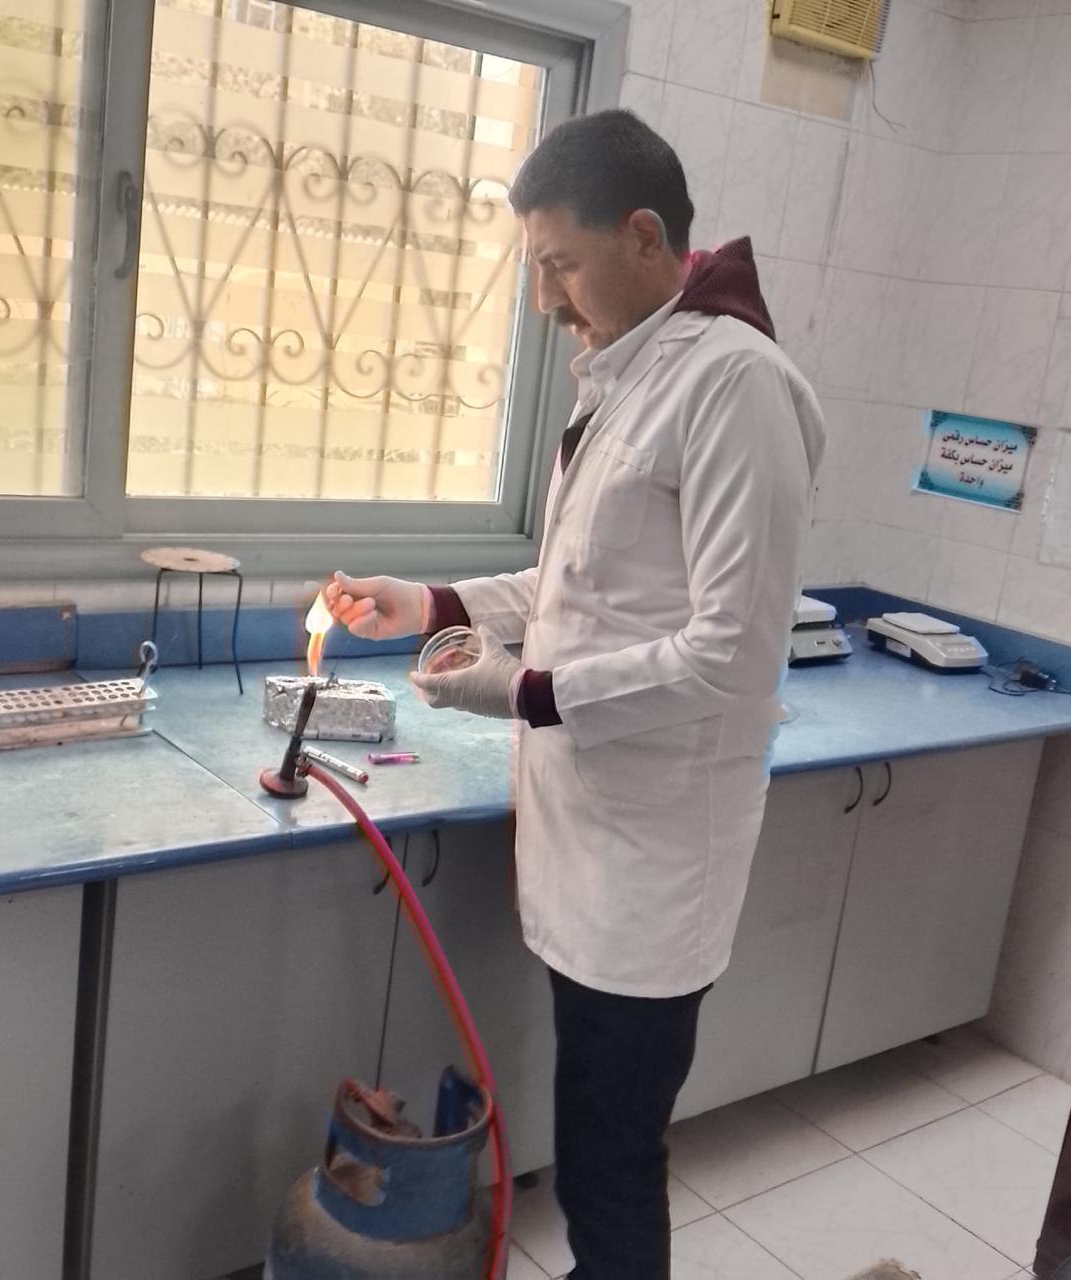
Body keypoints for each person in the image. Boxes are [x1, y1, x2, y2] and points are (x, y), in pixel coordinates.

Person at [325, 109, 825, 1280]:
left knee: (608, 1168)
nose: (543, 298)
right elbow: (578, 580)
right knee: (598, 1142)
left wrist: (523, 690)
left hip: (651, 866)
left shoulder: (735, 385)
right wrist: (432, 601)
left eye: (559, 264)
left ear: (642, 236)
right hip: (593, 842)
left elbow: (728, 654)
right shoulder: (631, 370)